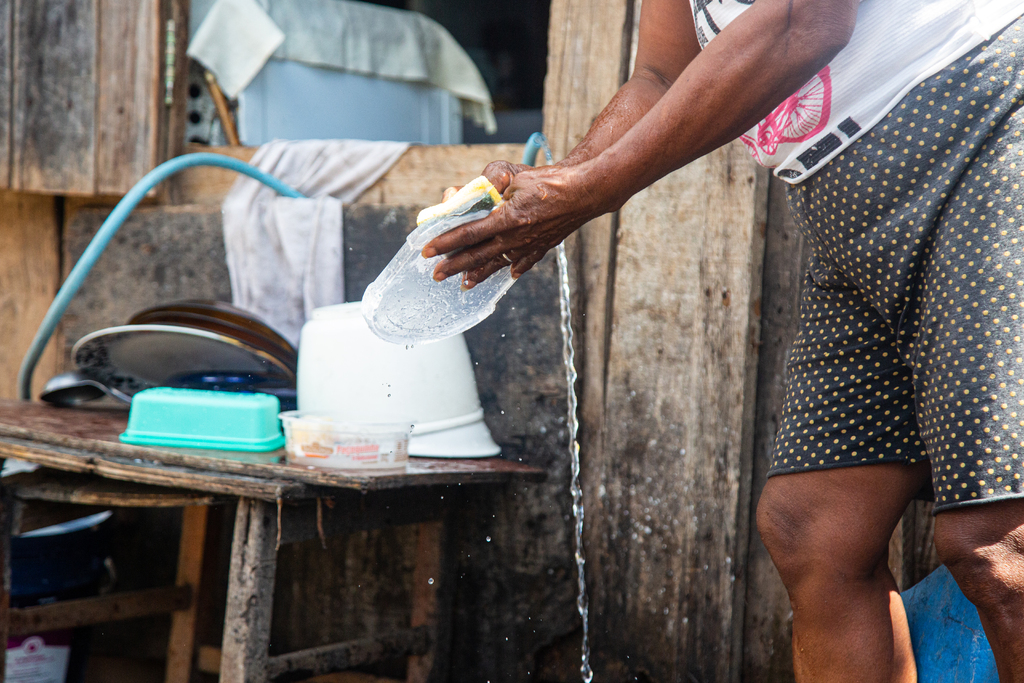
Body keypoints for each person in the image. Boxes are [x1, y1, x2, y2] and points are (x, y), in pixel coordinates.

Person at [422, 0, 1024, 680]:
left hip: (982, 125)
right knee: (813, 530)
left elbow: (806, 21)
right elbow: (662, 70)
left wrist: (589, 187)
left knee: (998, 546)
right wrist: (563, 180)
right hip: (841, 202)